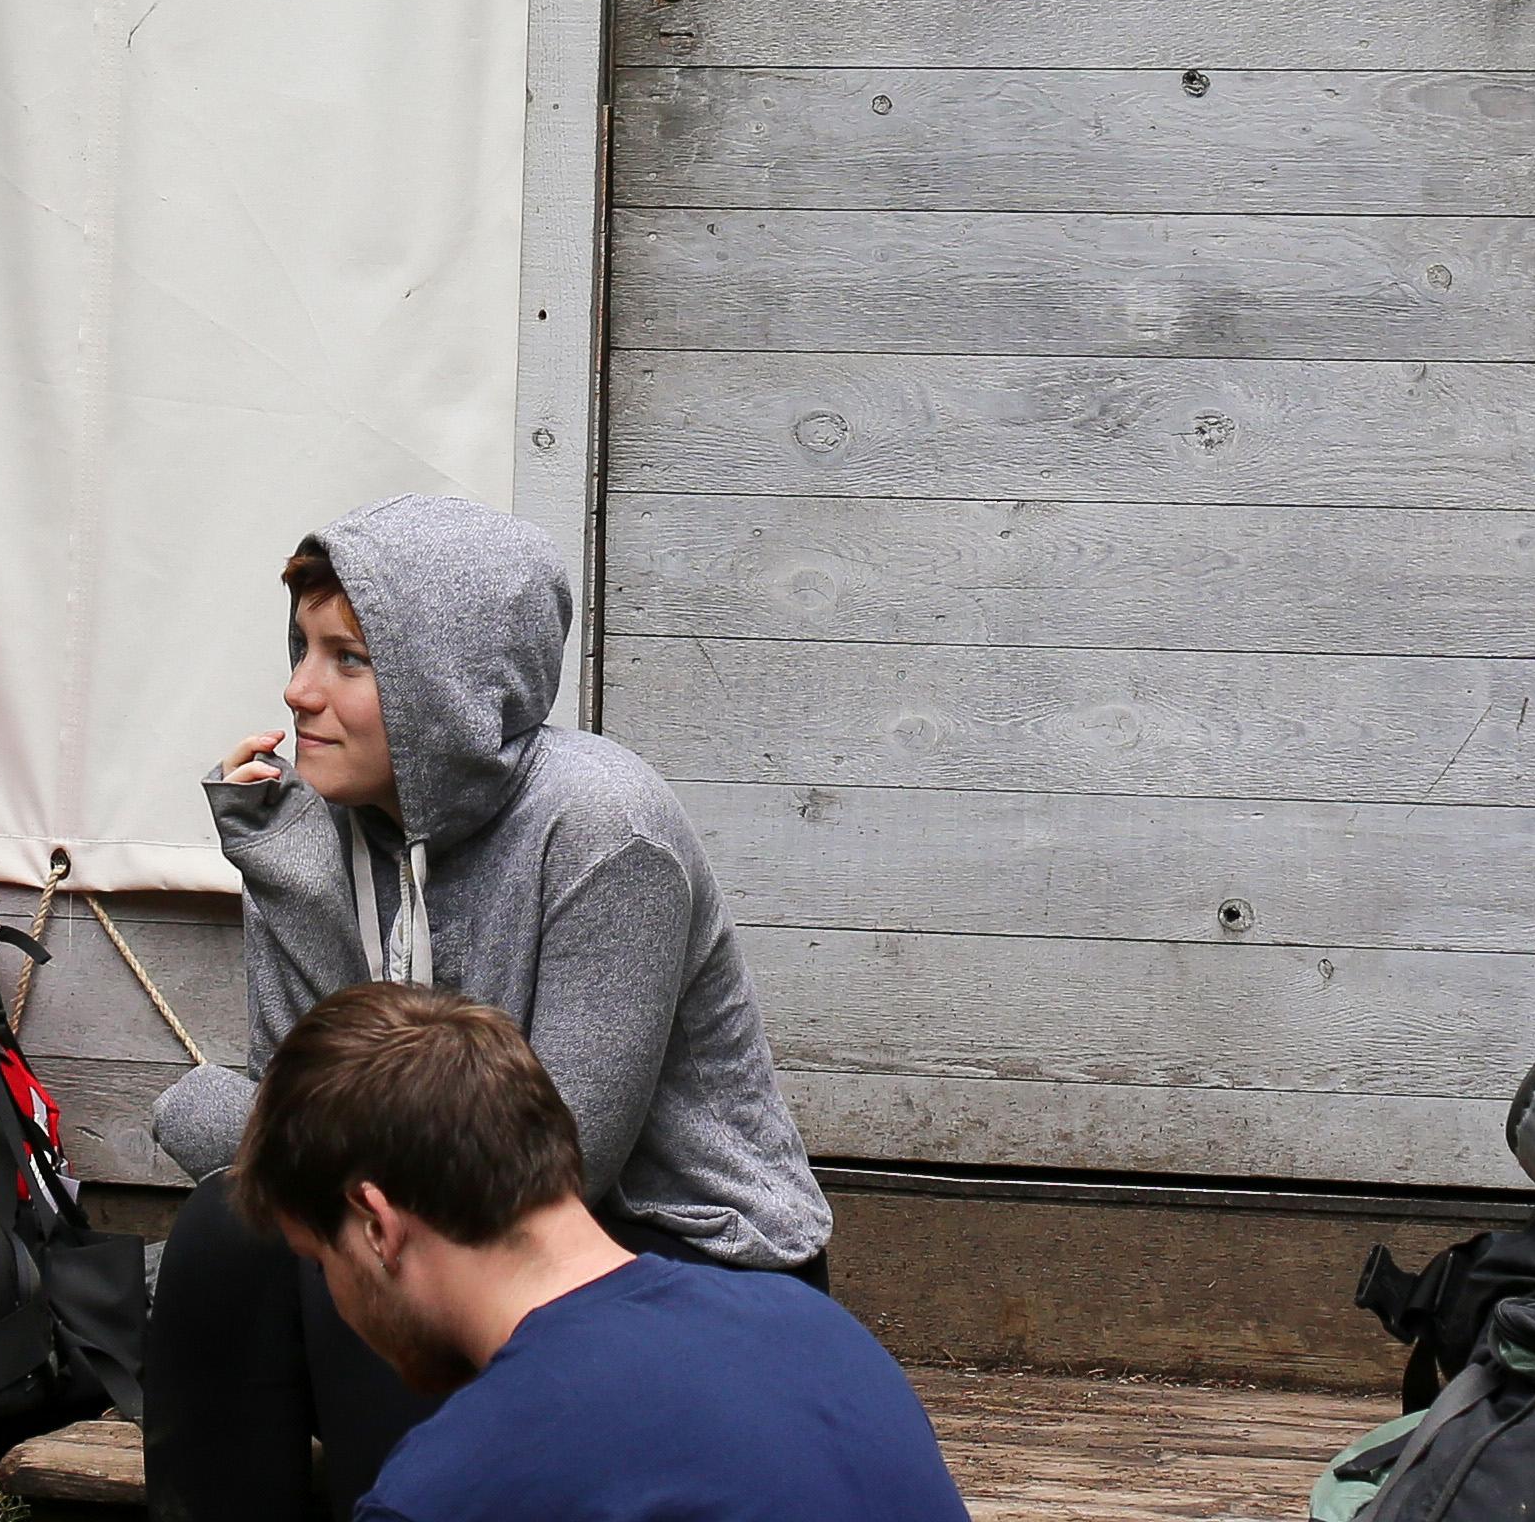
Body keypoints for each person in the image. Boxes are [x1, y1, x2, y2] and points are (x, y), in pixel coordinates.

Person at [142, 497, 825, 1521]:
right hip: (459, 1214)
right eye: (300, 650)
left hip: (679, 1252)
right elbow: (294, 1116)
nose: (297, 692)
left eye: (348, 660)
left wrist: (229, 1119)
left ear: (445, 683)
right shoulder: (330, 825)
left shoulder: (604, 828)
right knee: (225, 1237)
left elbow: (546, 1174)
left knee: (386, 1237)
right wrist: (284, 872)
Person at [238, 984, 966, 1522]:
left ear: (376, 1224)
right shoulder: (819, 1333)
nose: (330, 1293)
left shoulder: (450, 1492)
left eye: (319, 1259)